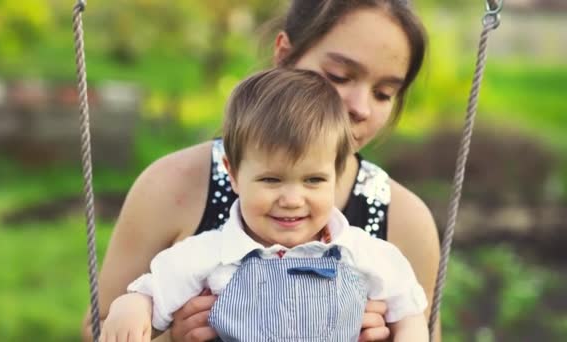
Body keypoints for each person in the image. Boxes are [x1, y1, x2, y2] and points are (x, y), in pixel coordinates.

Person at [82, 1, 441, 341]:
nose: (360, 107)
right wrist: (167, 333)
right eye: (340, 76)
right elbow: (105, 326)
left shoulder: (398, 225)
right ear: (284, 54)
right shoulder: (175, 191)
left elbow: (417, 323)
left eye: (383, 93)